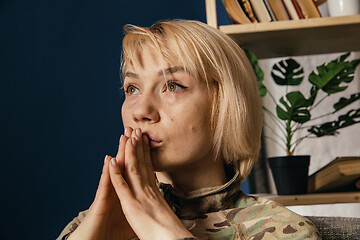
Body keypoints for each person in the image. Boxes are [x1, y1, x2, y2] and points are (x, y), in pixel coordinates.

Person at [57, 19, 320, 240]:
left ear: (225, 104)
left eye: (172, 86)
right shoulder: (91, 223)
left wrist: (162, 228)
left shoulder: (281, 230)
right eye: (132, 88)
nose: (140, 111)